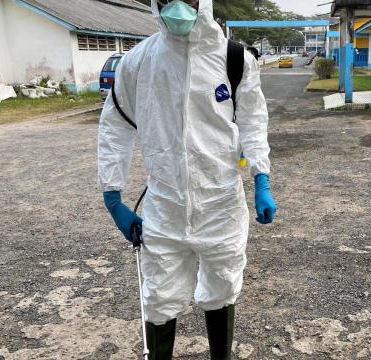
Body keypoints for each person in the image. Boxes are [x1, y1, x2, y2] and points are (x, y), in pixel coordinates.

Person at [97, 0, 277, 359]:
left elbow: (253, 122)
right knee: (159, 295)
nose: (178, 6)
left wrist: (261, 178)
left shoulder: (235, 58)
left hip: (221, 201)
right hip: (165, 204)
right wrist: (113, 197)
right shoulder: (138, 62)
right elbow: (115, 127)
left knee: (223, 284)